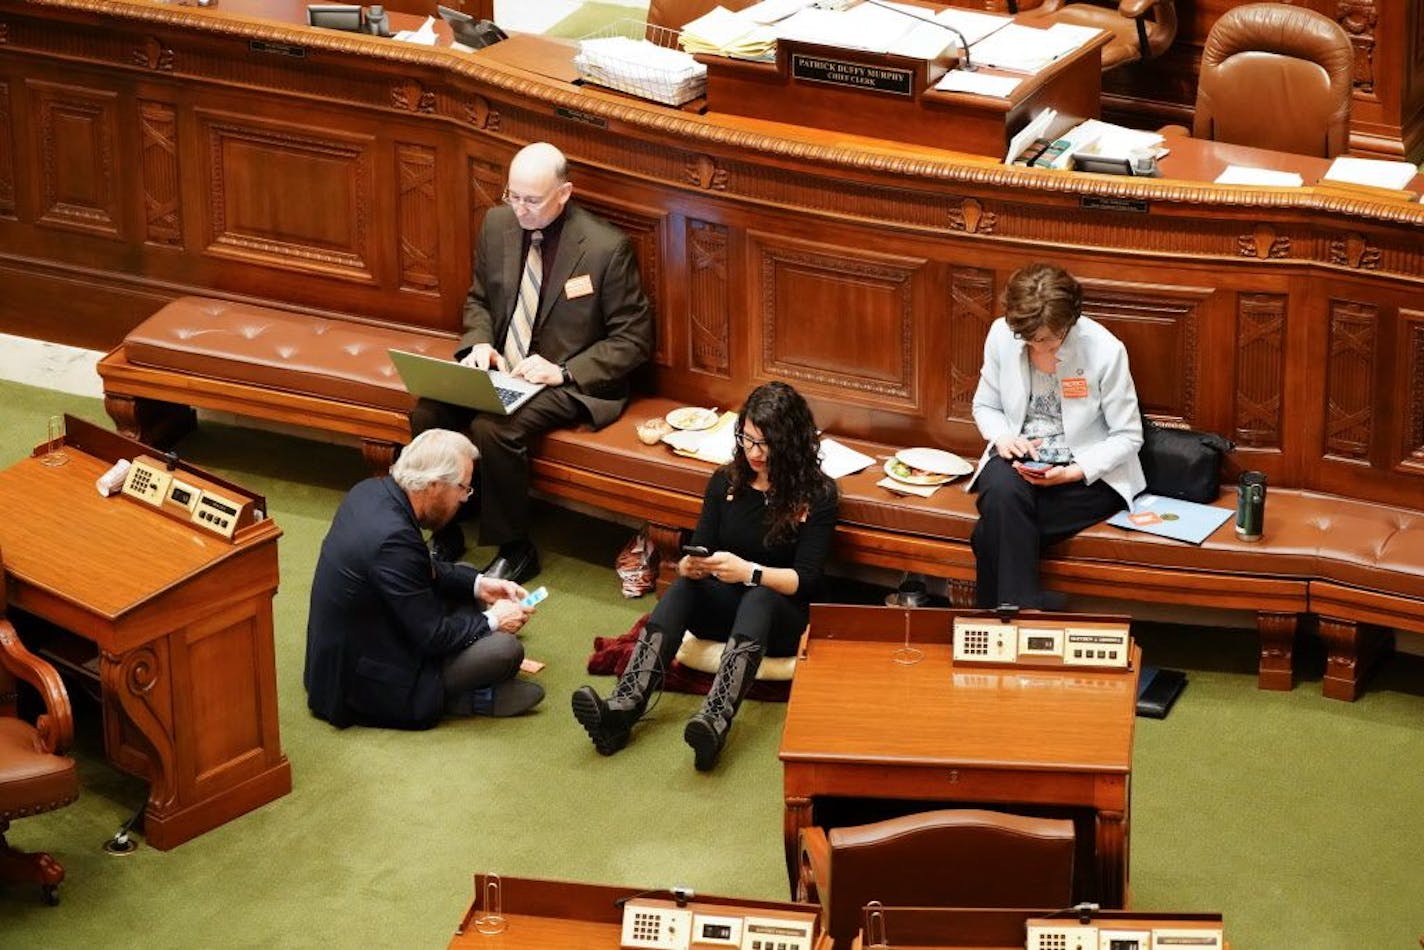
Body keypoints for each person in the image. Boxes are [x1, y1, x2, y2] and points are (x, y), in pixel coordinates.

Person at [410, 141, 654, 584]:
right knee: (429, 411)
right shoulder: (497, 224)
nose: (520, 209)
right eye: (513, 196)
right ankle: (443, 526)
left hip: (568, 382)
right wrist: (478, 344)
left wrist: (563, 370)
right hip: (505, 369)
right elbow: (480, 299)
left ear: (563, 193)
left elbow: (633, 340)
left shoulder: (605, 248)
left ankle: (515, 548)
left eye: (532, 200)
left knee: (494, 428)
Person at [572, 382, 838, 771]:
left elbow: (808, 580)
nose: (754, 453)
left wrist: (751, 572)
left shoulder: (818, 494)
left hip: (781, 616)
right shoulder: (726, 481)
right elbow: (700, 547)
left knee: (759, 595)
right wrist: (690, 565)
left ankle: (714, 720)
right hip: (726, 601)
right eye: (747, 440)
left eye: (766, 444)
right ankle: (623, 707)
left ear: (791, 442)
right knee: (683, 586)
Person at [304, 429, 544, 729]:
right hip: (362, 684)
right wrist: (494, 620)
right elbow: (434, 637)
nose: (464, 499)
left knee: (465, 575)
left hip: (356, 645)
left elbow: (420, 568)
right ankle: (463, 699)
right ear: (433, 485)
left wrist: (480, 584)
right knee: (504, 650)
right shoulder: (393, 540)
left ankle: (463, 679)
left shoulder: (370, 491)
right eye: (463, 488)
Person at [967, 262, 1144, 610]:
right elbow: (985, 406)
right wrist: (1003, 437)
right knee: (1002, 491)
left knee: (992, 531)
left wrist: (1073, 471)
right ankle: (1025, 620)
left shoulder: (1106, 350)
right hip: (1020, 459)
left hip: (1086, 474)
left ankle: (999, 625)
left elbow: (1128, 435)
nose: (1040, 348)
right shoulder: (1002, 335)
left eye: (1048, 339)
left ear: (1069, 323)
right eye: (1030, 340)